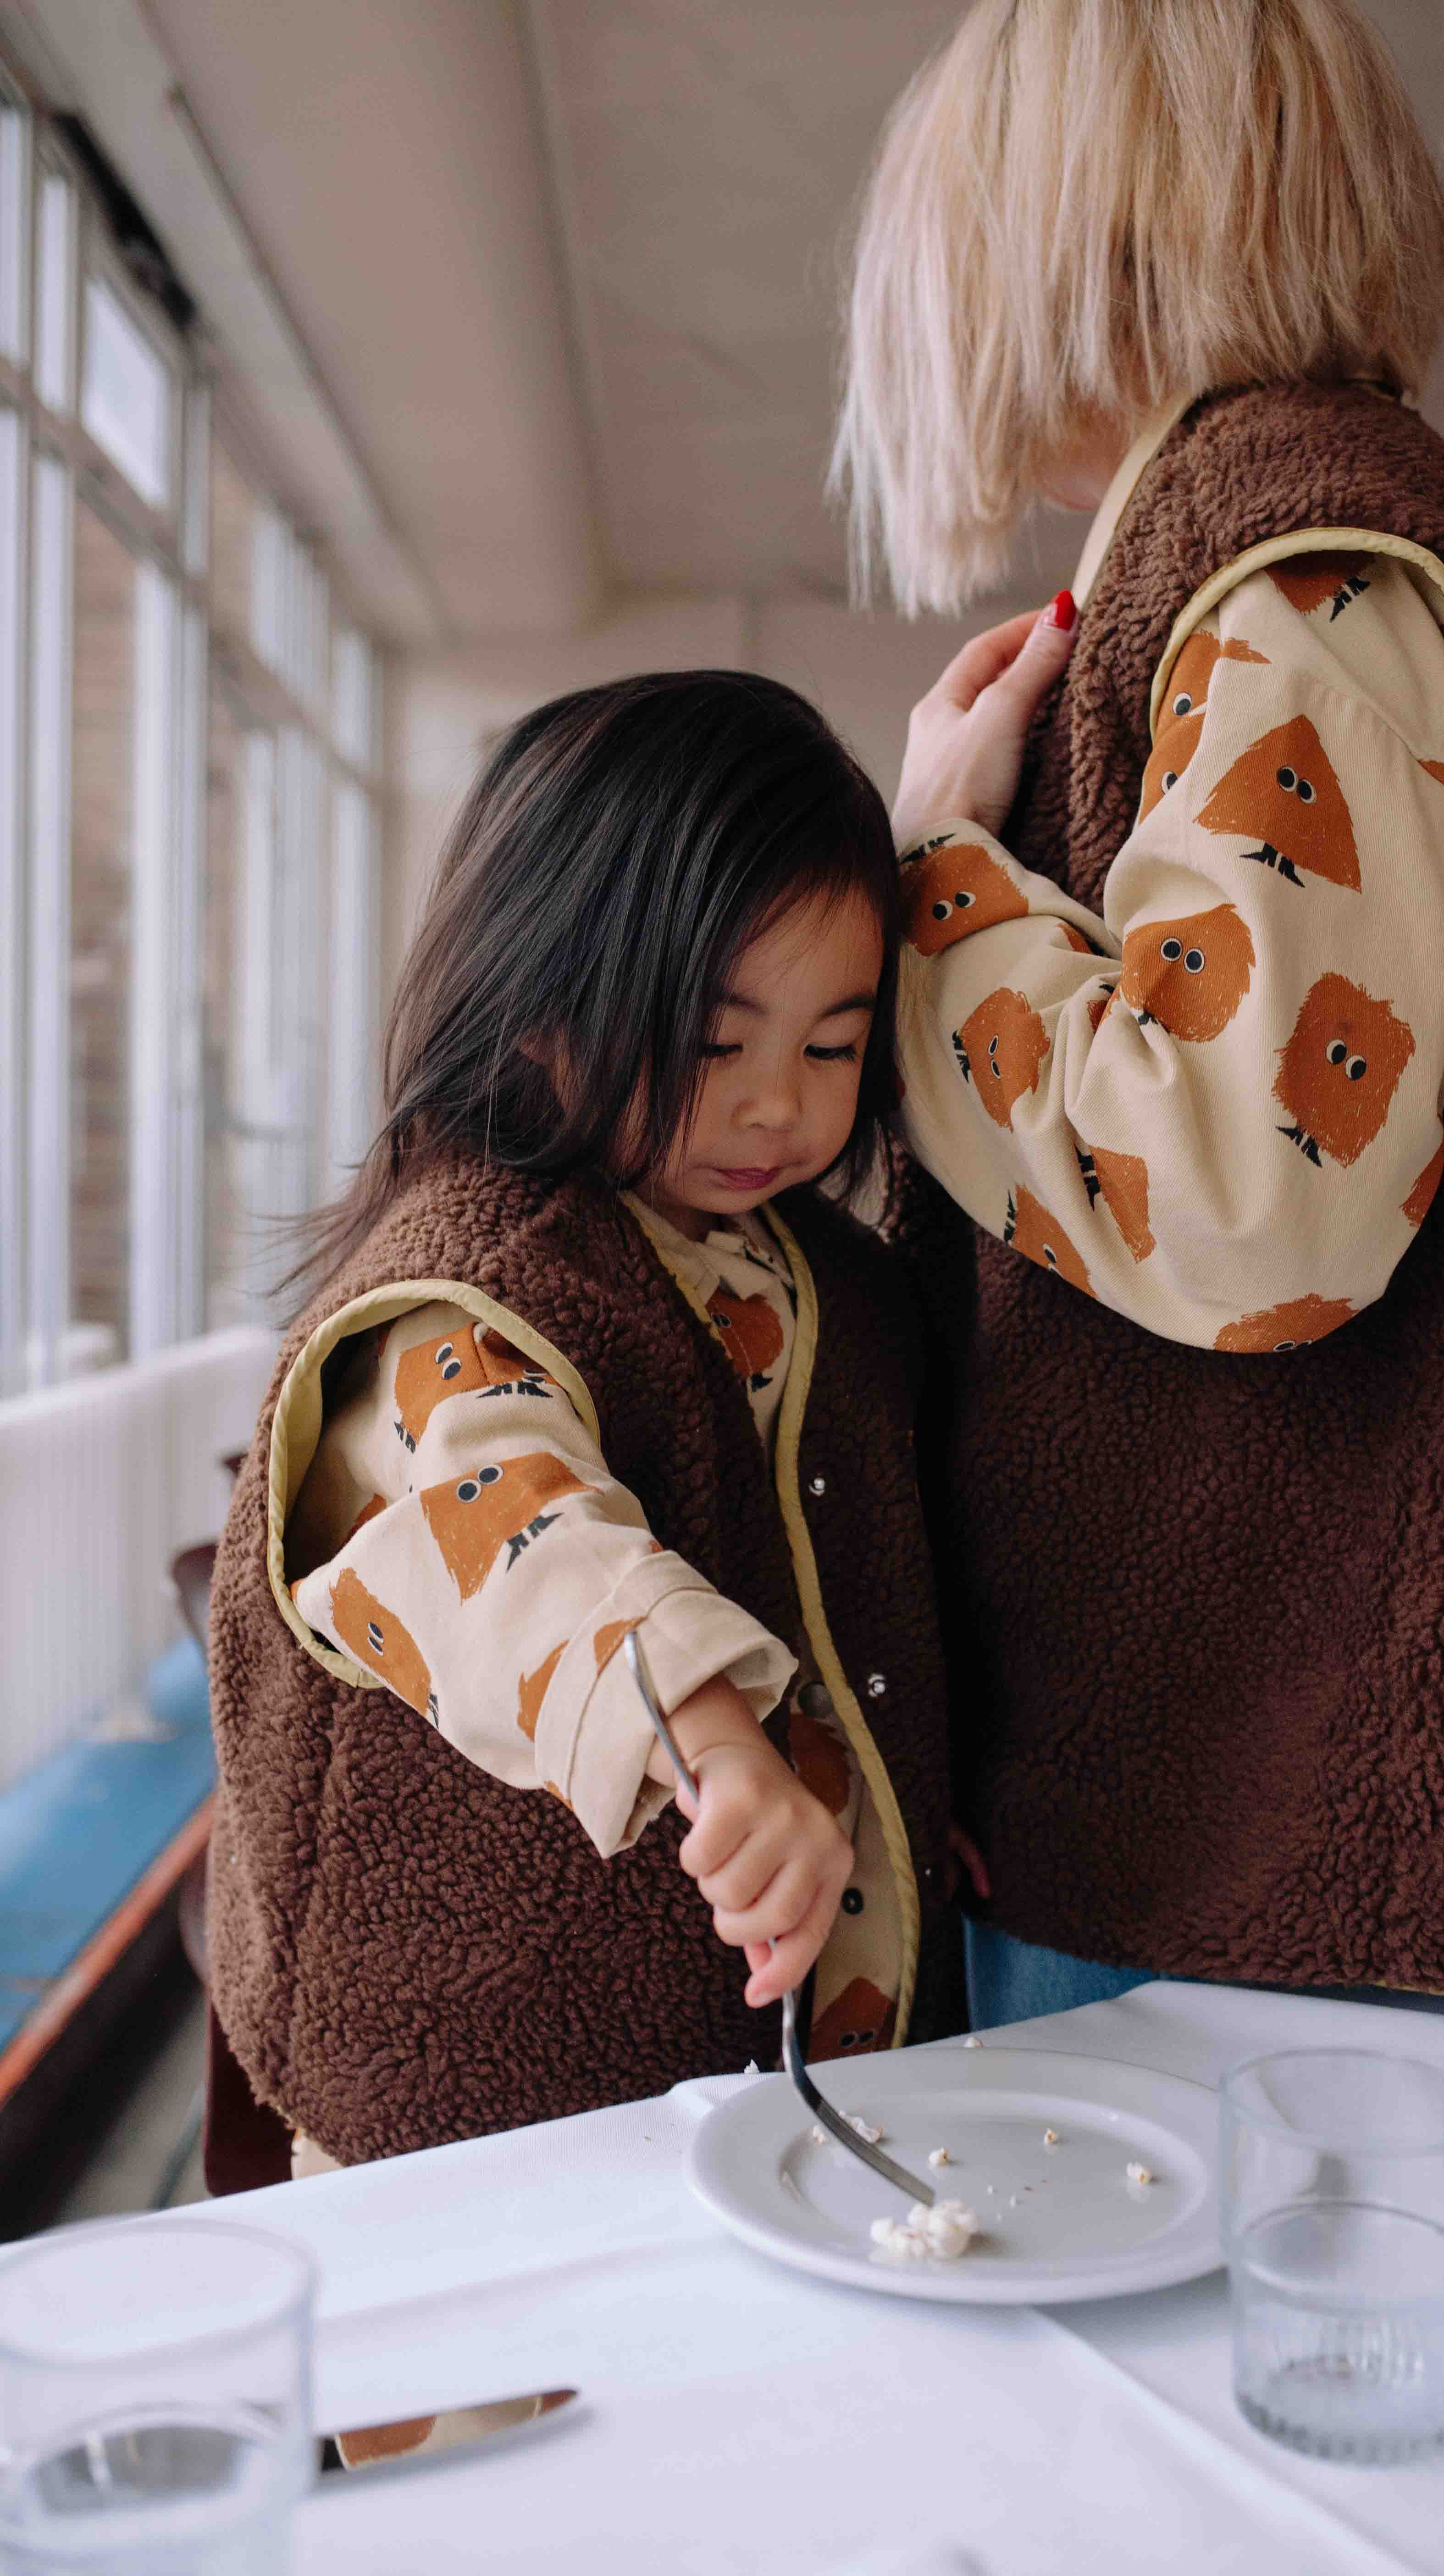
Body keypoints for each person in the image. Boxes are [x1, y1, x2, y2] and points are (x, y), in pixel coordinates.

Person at [833, 0, 1444, 2025]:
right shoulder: (1279, 547)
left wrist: (939, 893)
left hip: (1288, 1874)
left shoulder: (1295, 572)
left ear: (1074, 241)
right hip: (1263, 1849)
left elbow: (1245, 1193)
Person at [205, 672, 963, 2178]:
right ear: (540, 1002)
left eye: (829, 1049)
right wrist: (717, 1744)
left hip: (769, 2090)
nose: (775, 1112)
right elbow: (516, 1530)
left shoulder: (834, 1281)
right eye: (711, 1040)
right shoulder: (452, 1287)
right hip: (467, 2116)